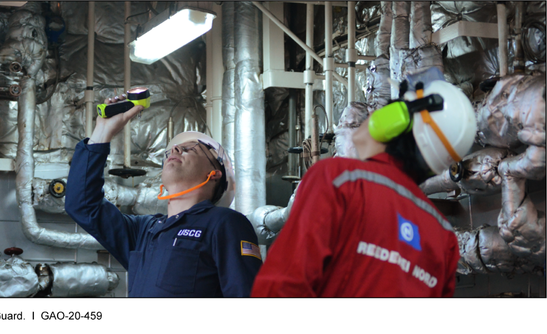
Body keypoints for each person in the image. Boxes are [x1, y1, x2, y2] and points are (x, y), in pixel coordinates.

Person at [251, 79, 477, 297]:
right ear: (439, 162)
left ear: (393, 120)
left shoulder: (336, 180)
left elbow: (280, 289)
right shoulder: (443, 238)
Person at [65, 94, 262, 297]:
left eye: (189, 149)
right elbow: (83, 205)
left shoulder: (224, 223)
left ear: (215, 174)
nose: (175, 148)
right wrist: (103, 131)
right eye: (173, 150)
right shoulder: (144, 232)